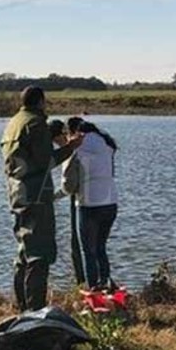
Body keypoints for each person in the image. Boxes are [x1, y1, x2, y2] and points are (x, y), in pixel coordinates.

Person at [0, 86, 81, 311]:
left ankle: (22, 307)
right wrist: (71, 147)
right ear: (41, 102)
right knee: (39, 253)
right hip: (36, 194)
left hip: (17, 193)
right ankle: (35, 311)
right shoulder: (35, 124)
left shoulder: (13, 123)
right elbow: (47, 161)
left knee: (24, 250)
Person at [73, 119, 118, 290]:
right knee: (101, 247)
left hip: (89, 203)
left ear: (76, 132)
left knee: (88, 251)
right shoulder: (107, 146)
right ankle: (106, 283)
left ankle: (93, 288)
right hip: (111, 202)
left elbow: (69, 176)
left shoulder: (79, 145)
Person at [53, 116, 86, 287]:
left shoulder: (71, 151)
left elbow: (68, 186)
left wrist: (53, 197)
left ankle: (83, 283)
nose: (56, 144)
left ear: (65, 134)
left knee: (79, 243)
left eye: (56, 139)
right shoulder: (89, 144)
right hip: (101, 199)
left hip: (82, 202)